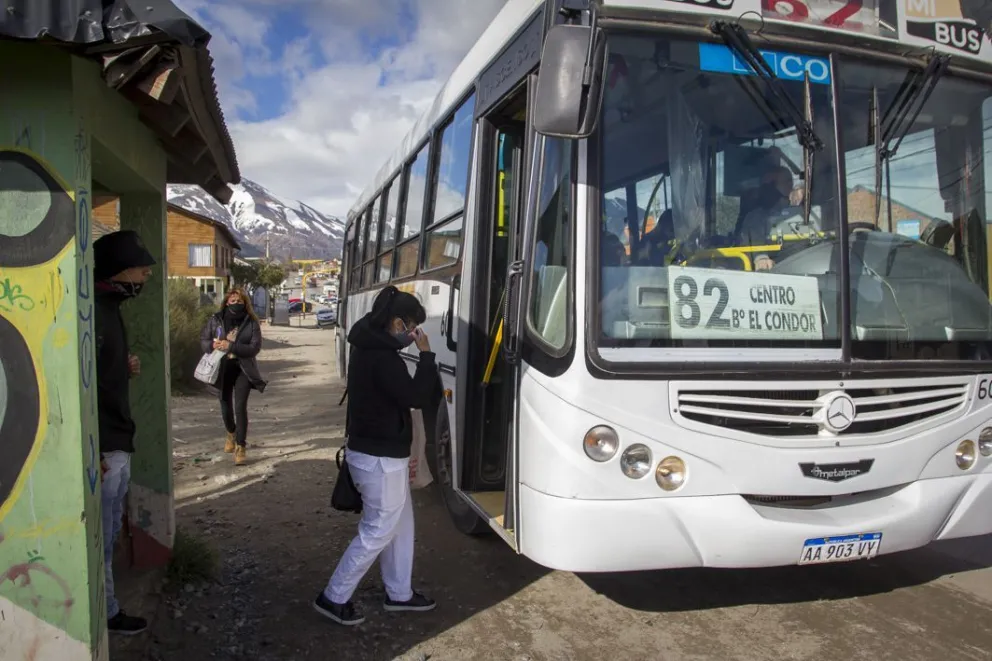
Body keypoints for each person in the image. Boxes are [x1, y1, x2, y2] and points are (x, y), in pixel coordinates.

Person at [315, 285, 437, 626]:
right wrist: (426, 355)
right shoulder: (382, 357)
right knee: (379, 529)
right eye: (411, 326)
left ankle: (400, 593)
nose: (413, 333)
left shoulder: (368, 346)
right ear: (397, 322)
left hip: (374, 454)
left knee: (400, 525)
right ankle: (333, 595)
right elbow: (414, 396)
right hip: (379, 459)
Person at [93, 229, 156, 635]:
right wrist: (94, 451)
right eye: (140, 268)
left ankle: (108, 608)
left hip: (117, 442)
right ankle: (106, 614)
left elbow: (100, 373)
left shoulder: (108, 308)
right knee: (100, 537)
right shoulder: (94, 312)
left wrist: (123, 368)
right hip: (104, 448)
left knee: (110, 530)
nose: (146, 276)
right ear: (118, 270)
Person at [200, 288, 267, 465]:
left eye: (239, 301)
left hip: (243, 369)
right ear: (226, 302)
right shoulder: (216, 319)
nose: (236, 304)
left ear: (245, 303)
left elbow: (254, 348)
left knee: (240, 407)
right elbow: (204, 341)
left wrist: (231, 346)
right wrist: (213, 345)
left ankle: (240, 446)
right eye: (232, 301)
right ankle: (231, 432)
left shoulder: (251, 322)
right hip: (221, 369)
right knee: (225, 407)